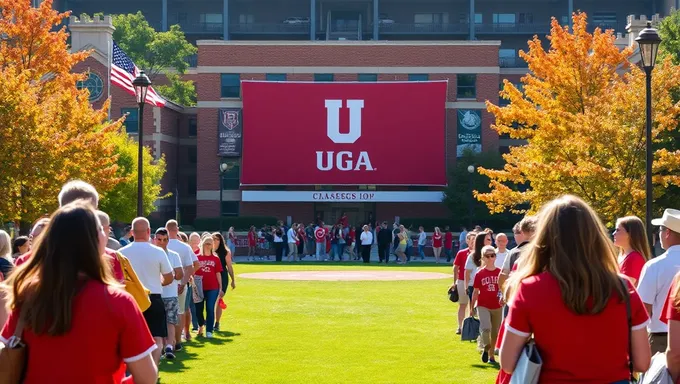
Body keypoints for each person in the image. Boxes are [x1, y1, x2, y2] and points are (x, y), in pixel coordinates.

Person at [0, 202, 158, 384]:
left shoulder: (27, 295)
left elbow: (7, 352)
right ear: (96, 241)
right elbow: (147, 378)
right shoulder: (118, 302)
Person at [498, 195, 651, 383]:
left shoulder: (530, 288)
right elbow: (642, 363)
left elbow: (507, 362)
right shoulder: (623, 287)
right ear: (594, 235)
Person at [119, 217, 174, 366]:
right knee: (156, 337)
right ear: (149, 231)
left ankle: (133, 370)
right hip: (153, 296)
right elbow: (169, 276)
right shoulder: (158, 252)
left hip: (129, 299)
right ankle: (153, 369)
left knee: (130, 337)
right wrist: (159, 283)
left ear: (132, 232)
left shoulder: (120, 253)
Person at [637, 208, 680, 354]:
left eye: (660, 230)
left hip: (662, 341)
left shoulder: (655, 266)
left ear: (667, 232)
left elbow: (643, 310)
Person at [166, 220, 198, 349]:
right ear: (177, 229)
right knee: (179, 311)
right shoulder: (184, 247)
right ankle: (178, 341)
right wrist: (184, 283)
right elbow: (192, 266)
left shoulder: (160, 245)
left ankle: (168, 341)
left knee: (165, 312)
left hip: (164, 284)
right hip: (180, 283)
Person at [153, 228, 183, 360]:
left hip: (170, 293)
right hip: (154, 294)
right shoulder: (151, 254)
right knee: (157, 322)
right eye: (159, 239)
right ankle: (160, 347)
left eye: (165, 240)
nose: (162, 242)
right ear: (155, 239)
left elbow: (179, 273)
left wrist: (168, 276)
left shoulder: (173, 255)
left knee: (170, 321)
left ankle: (169, 346)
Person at [472, 245, 502, 364]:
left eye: (492, 255)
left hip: (497, 305)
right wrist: (471, 307)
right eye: (487, 256)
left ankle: (491, 356)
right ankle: (486, 347)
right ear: (483, 258)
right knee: (486, 328)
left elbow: (504, 289)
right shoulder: (480, 274)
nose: (490, 258)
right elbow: (475, 292)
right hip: (483, 304)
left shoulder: (500, 272)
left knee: (495, 332)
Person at [195, 237, 223, 338]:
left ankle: (209, 330)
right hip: (199, 287)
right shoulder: (196, 257)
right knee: (199, 309)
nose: (208, 245)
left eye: (210, 244)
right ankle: (201, 325)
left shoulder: (215, 259)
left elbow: (218, 273)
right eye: (206, 243)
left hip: (212, 287)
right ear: (202, 244)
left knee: (210, 308)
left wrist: (221, 287)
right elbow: (192, 271)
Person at [498, 217, 537, 291]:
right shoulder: (543, 250)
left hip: (517, 294)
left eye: (517, 233)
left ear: (522, 231)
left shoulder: (513, 252)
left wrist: (503, 294)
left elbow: (503, 276)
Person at [613, 216, 651, 286]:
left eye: (618, 230)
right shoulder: (623, 255)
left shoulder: (634, 258)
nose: (614, 233)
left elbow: (625, 288)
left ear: (630, 234)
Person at [453, 232, 476, 334]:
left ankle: (471, 327)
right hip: (462, 281)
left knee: (474, 306)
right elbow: (455, 267)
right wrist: (455, 282)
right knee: (463, 304)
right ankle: (460, 326)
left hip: (476, 282)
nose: (473, 242)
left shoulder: (481, 253)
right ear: (467, 241)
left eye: (475, 240)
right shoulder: (462, 253)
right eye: (471, 240)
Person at [212, 232, 236, 331]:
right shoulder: (208, 250)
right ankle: (208, 321)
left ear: (221, 241)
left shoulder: (225, 252)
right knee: (210, 300)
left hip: (222, 276)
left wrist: (233, 280)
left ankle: (217, 322)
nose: (214, 241)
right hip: (211, 276)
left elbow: (229, 266)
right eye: (213, 239)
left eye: (217, 239)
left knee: (218, 299)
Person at [466, 231, 491, 315]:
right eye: (488, 239)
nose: (491, 241)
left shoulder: (493, 253)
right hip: (474, 286)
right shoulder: (472, 256)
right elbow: (467, 272)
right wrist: (466, 287)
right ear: (481, 241)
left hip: (489, 285)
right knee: (474, 311)